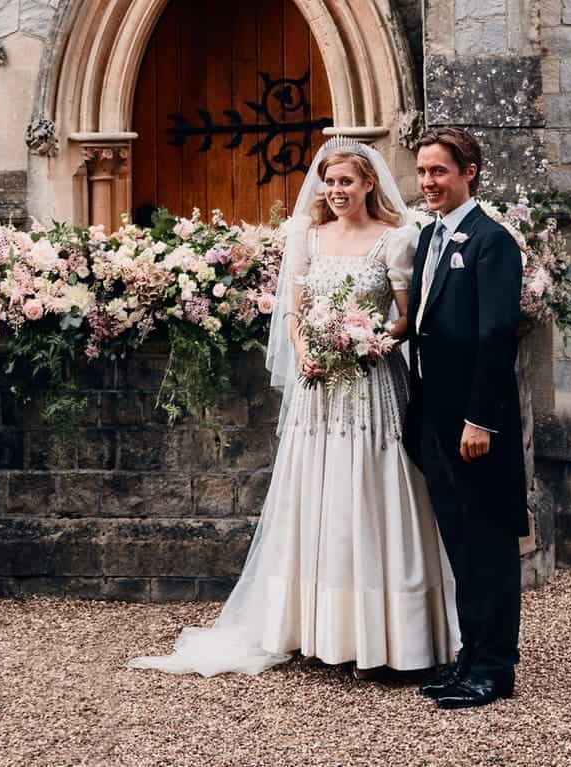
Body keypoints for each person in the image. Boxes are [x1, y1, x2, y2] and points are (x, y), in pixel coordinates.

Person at [130, 137, 458, 677]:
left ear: (368, 184)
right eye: (329, 182)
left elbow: (407, 316)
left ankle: (390, 631)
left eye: (346, 182)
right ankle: (316, 625)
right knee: (319, 491)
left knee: (373, 490)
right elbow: (293, 312)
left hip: (372, 384)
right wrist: (309, 352)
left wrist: (369, 341)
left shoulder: (396, 239)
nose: (336, 191)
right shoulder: (308, 234)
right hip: (319, 389)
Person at [404, 128, 527, 709]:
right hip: (435, 418)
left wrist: (480, 420)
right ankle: (469, 657)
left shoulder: (491, 242)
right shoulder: (430, 237)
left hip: (478, 426)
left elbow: (497, 335)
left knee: (490, 542)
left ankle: (495, 668)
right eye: (423, 171)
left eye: (439, 172)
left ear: (469, 171)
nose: (428, 182)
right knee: (459, 542)